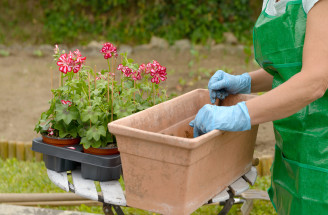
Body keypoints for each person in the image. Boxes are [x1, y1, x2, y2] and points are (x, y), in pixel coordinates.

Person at [189, 0, 328, 214]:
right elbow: (292, 67)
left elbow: (316, 80)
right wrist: (245, 82)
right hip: (298, 140)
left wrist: (239, 113)